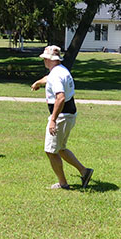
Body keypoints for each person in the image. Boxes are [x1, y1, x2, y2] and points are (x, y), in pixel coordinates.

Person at [31, 45, 93, 189]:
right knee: (60, 148)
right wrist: (39, 82)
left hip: (61, 116)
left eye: (45, 59)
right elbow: (49, 78)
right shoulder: (61, 70)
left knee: (51, 151)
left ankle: (63, 183)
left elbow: (60, 97)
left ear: (49, 60)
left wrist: (53, 120)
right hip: (69, 114)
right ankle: (85, 172)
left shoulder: (56, 75)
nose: (44, 61)